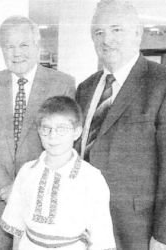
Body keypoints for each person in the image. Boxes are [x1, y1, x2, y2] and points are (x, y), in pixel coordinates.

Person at [0, 15, 76, 250]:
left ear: (38, 46)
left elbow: (63, 143)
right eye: (9, 46)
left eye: (24, 45)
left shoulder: (63, 84)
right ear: (2, 49)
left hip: (41, 202)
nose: (17, 53)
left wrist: (25, 188)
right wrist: (6, 187)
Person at [75, 0, 166, 249]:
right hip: (83, 222)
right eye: (99, 32)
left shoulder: (160, 83)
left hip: (137, 226)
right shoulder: (85, 89)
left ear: (138, 33)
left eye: (116, 29)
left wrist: (163, 233)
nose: (106, 40)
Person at [0, 96, 116, 250]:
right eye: (46, 128)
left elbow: (101, 236)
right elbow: (17, 225)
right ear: (39, 131)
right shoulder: (27, 171)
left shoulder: (91, 177)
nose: (53, 136)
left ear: (77, 132)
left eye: (62, 129)